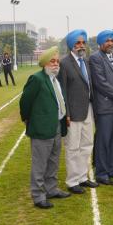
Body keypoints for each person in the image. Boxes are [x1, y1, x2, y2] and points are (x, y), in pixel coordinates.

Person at [19, 46, 70, 209]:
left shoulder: (55, 78)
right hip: (41, 128)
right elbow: (25, 102)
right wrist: (28, 119)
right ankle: (38, 195)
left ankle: (51, 189)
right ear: (45, 63)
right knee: (40, 164)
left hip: (56, 125)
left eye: (57, 61)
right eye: (52, 61)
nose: (56, 64)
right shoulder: (37, 79)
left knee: (53, 161)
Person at [58, 29, 98, 195]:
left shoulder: (86, 61)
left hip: (88, 109)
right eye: (78, 43)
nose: (81, 45)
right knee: (73, 147)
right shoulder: (65, 63)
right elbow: (63, 90)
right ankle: (72, 181)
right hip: (73, 113)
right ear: (71, 45)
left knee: (87, 145)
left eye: (83, 42)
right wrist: (66, 113)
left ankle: (82, 177)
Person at [89, 30, 113, 185]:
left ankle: (112, 170)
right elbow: (100, 81)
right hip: (105, 106)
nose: (110, 43)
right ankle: (102, 173)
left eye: (112, 40)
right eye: (107, 41)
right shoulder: (95, 58)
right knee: (103, 141)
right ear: (100, 43)